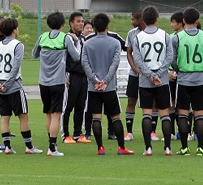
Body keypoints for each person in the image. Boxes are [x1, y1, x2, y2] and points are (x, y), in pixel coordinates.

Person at [81, 13, 134, 156]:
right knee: (115, 117)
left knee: (96, 117)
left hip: (93, 88)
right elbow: (114, 64)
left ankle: (100, 148)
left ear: (94, 26)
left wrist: (95, 80)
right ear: (107, 26)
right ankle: (121, 148)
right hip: (109, 87)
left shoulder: (87, 43)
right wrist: (105, 81)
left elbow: (84, 64)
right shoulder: (115, 43)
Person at [32, 11, 80, 157]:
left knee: (48, 113)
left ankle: (51, 144)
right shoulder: (65, 38)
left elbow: (34, 54)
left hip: (43, 82)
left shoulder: (43, 37)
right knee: (56, 115)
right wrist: (75, 40)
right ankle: (52, 148)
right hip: (58, 81)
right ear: (62, 25)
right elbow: (76, 57)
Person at [131, 5, 174, 156]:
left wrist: (149, 74)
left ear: (144, 19)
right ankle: (167, 148)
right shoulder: (164, 35)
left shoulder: (138, 37)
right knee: (165, 114)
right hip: (162, 80)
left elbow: (137, 59)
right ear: (157, 19)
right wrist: (159, 73)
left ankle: (148, 148)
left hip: (145, 81)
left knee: (146, 114)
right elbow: (170, 57)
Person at [0, 18, 42, 155]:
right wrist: (8, 83)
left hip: (0, 85)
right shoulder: (18, 45)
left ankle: (7, 147)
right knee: (23, 115)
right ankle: (29, 146)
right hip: (13, 85)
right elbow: (15, 67)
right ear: (14, 30)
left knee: (5, 117)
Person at [170, 7, 203, 156]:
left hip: (183, 80)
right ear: (197, 21)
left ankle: (184, 148)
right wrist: (202, 69)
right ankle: (200, 148)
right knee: (199, 114)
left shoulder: (177, 37)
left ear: (183, 21)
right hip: (199, 80)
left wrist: (179, 70)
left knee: (182, 114)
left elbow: (172, 59)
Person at [62, 12, 89, 144]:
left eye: (82, 21)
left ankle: (78, 133)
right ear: (71, 23)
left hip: (83, 76)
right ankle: (65, 134)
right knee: (68, 106)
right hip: (71, 75)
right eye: (78, 21)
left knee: (81, 106)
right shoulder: (68, 38)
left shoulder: (83, 39)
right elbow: (64, 58)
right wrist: (65, 75)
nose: (81, 24)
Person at [124, 10, 145, 142]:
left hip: (150, 74)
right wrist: (135, 68)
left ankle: (152, 132)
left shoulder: (154, 32)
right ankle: (129, 132)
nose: (132, 22)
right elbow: (129, 53)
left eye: (133, 19)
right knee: (131, 100)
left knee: (152, 102)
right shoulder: (131, 34)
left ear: (140, 19)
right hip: (135, 74)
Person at [168, 11, 184, 140]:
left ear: (180, 23)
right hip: (172, 75)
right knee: (171, 104)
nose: (171, 24)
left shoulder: (185, 37)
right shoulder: (169, 37)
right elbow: (167, 57)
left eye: (173, 22)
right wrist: (168, 72)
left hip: (184, 75)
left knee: (184, 105)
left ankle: (185, 132)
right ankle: (172, 132)